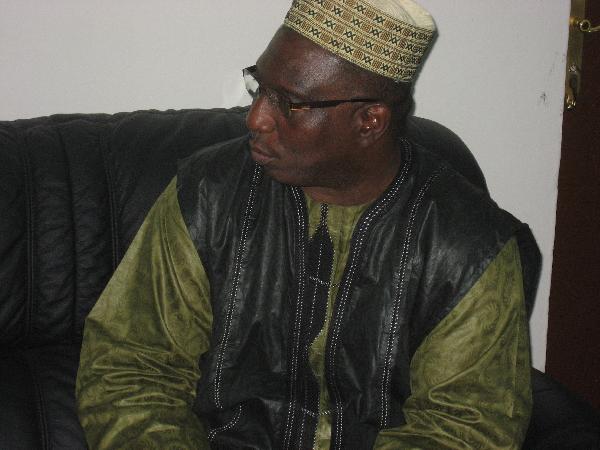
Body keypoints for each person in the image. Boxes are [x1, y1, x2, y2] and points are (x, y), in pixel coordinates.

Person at [76, 0, 539, 448]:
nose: (255, 117)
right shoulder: (207, 195)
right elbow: (131, 369)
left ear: (369, 121)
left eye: (289, 103)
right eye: (259, 88)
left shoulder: (468, 246)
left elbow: (462, 427)